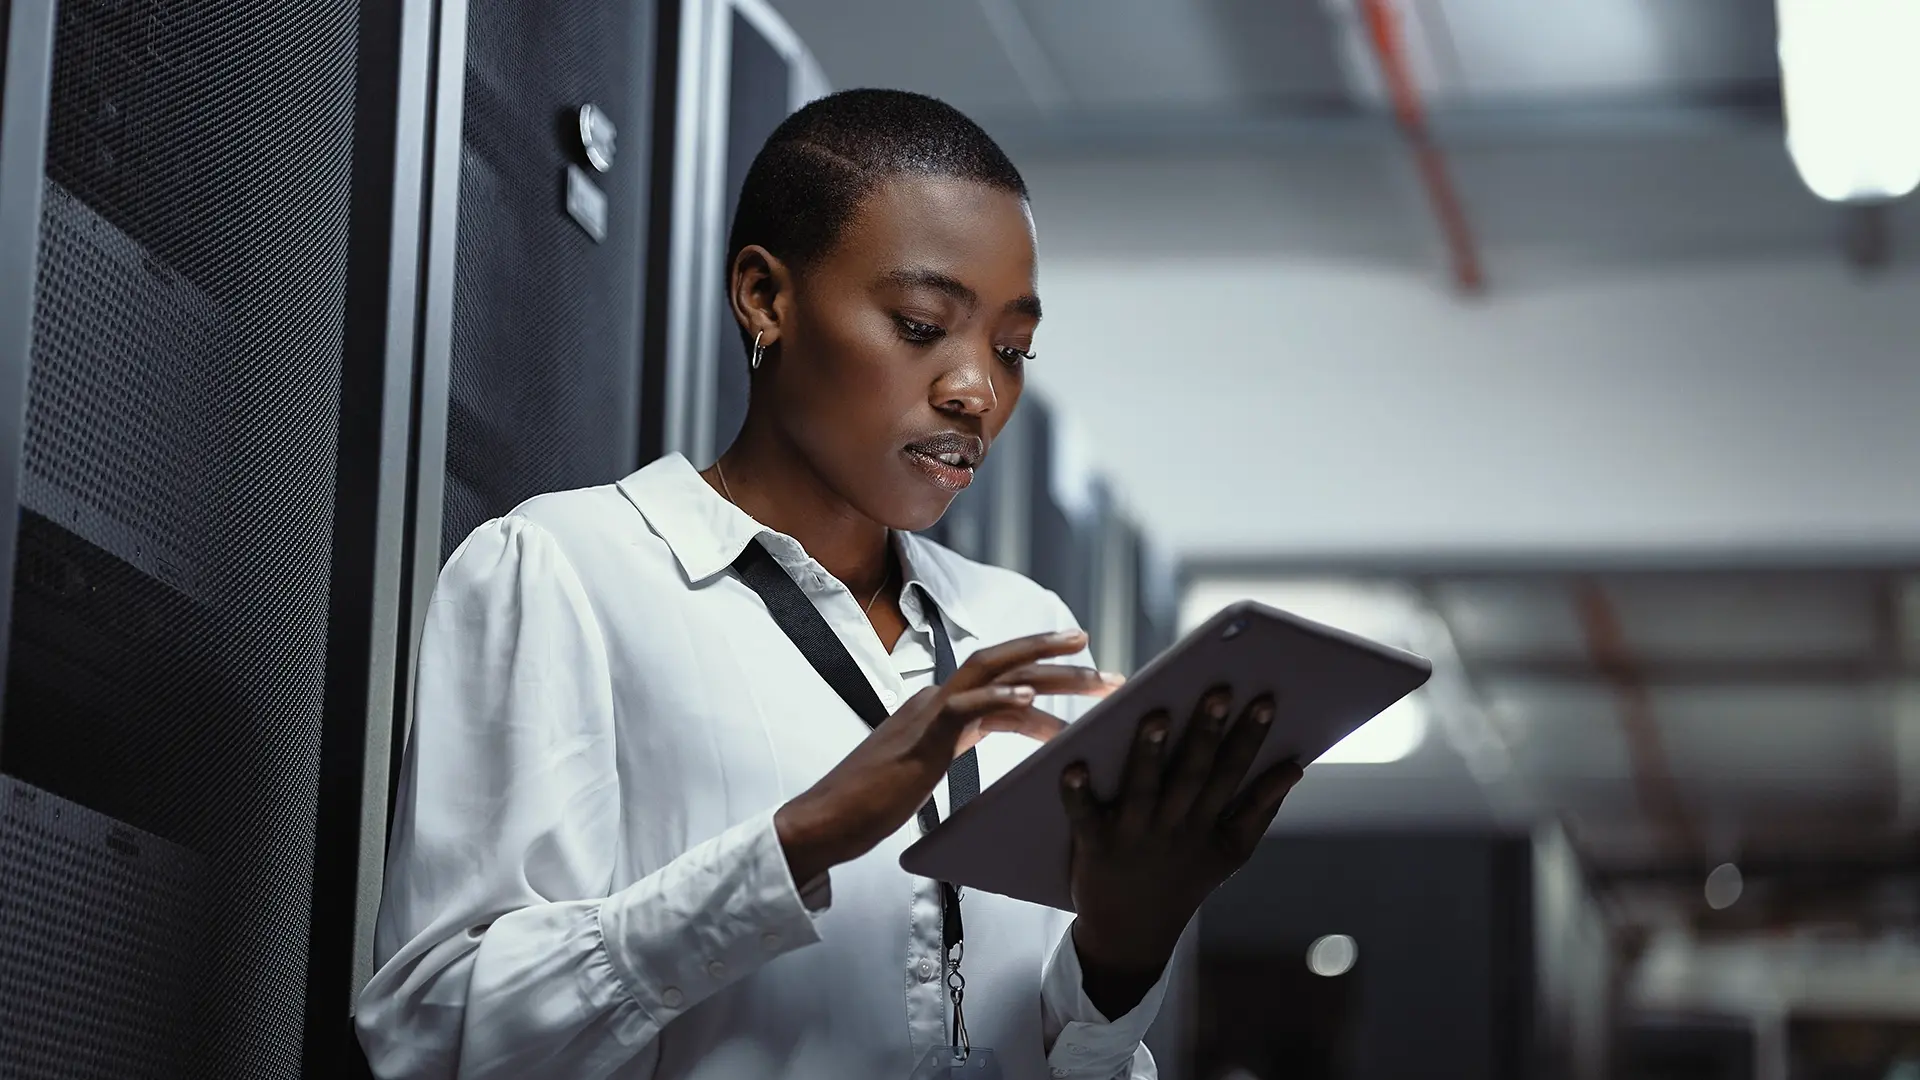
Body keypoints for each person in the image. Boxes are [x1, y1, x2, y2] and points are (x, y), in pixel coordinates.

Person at [355, 88, 1304, 1080]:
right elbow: (432, 1034)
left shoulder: (1023, 627)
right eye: (920, 323)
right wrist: (798, 840)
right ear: (767, 298)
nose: (976, 390)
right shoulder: (569, 573)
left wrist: (1122, 951)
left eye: (1012, 348)